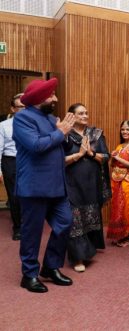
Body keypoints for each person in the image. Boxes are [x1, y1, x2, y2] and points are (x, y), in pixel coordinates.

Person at [13, 78, 75, 293]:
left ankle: (50, 266)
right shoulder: (22, 119)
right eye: (51, 95)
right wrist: (60, 132)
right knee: (32, 233)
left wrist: (62, 134)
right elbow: (36, 145)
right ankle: (29, 275)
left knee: (65, 223)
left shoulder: (50, 118)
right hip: (34, 188)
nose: (55, 98)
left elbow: (61, 146)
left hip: (57, 187)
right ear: (40, 99)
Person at [63, 103, 110, 272]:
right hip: (71, 184)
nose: (85, 116)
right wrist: (79, 155)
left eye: (86, 113)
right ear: (72, 116)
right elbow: (59, 160)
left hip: (92, 183)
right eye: (80, 113)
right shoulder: (65, 135)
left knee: (89, 216)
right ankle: (78, 258)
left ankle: (88, 247)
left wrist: (90, 153)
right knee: (74, 219)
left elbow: (105, 157)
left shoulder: (96, 134)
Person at [107, 120, 129, 247]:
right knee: (119, 208)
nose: (125, 132)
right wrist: (113, 157)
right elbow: (112, 164)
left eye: (127, 129)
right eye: (123, 129)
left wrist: (118, 158)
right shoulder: (120, 146)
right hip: (117, 182)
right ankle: (122, 234)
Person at [0, 93, 24, 240]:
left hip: (30, 161)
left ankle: (29, 224)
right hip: (11, 161)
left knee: (30, 195)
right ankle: (18, 227)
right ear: (13, 109)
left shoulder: (33, 123)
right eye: (20, 107)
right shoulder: (3, 126)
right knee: (14, 196)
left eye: (26, 106)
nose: (23, 109)